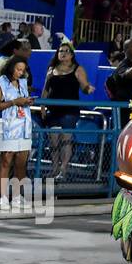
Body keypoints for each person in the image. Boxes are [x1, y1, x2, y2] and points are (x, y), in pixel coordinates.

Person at [41, 40, 94, 180]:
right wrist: (42, 106)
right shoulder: (51, 69)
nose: (63, 53)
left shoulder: (78, 69)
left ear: (72, 55)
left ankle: (63, 170)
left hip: (69, 111)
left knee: (66, 139)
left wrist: (88, 89)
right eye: (60, 51)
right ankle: (54, 168)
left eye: (66, 51)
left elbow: (84, 85)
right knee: (53, 141)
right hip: (53, 111)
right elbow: (46, 89)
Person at [0, 55, 35, 210]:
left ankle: (16, 196)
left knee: (21, 163)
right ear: (11, 67)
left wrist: (26, 101)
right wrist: (14, 102)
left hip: (23, 127)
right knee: (6, 161)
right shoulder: (0, 82)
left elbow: (22, 101)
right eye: (18, 69)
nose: (20, 73)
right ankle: (2, 197)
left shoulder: (23, 83)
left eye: (23, 70)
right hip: (6, 128)